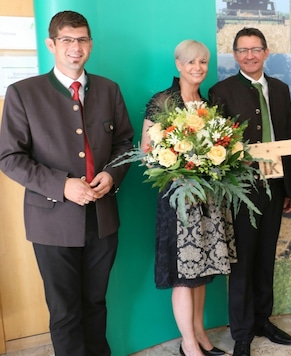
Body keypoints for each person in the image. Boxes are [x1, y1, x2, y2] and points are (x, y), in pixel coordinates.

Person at [0, 11, 134, 356]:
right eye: (67, 40)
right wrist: (62, 185)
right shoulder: (22, 93)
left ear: (90, 43)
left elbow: (124, 144)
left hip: (103, 218)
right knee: (64, 311)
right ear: (51, 44)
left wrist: (112, 174)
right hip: (51, 222)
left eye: (83, 39)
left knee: (95, 302)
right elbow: (9, 158)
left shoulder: (109, 89)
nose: (76, 48)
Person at [208, 27, 291, 356]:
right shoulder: (221, 91)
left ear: (266, 52)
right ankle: (242, 333)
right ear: (234, 55)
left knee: (265, 260)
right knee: (243, 262)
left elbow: (287, 138)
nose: (249, 55)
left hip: (275, 187)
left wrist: (290, 187)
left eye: (255, 49)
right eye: (243, 50)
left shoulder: (280, 89)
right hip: (240, 192)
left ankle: (263, 320)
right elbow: (217, 146)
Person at [140, 40, 229, 356]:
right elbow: (147, 153)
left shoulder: (209, 104)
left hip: (207, 200)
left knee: (201, 272)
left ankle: (201, 334)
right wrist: (176, 169)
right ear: (178, 65)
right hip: (177, 201)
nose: (198, 68)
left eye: (203, 62)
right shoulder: (162, 101)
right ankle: (189, 344)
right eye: (191, 62)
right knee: (183, 275)